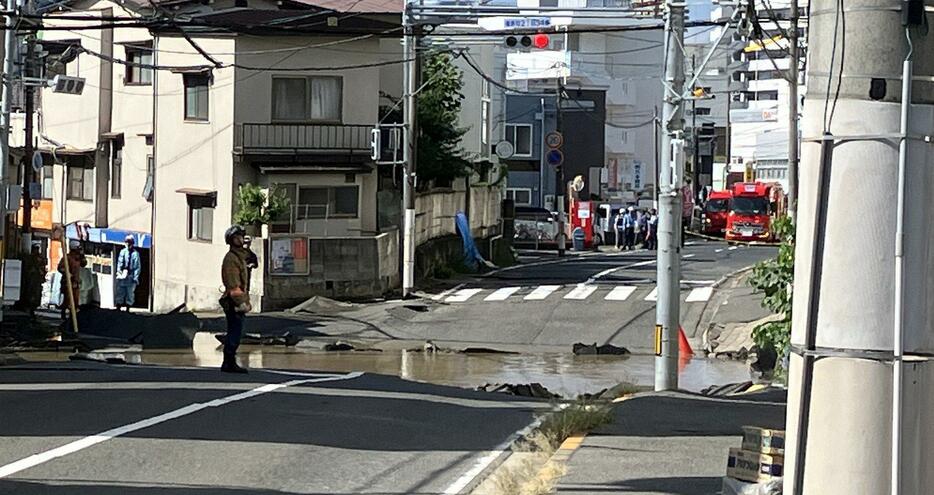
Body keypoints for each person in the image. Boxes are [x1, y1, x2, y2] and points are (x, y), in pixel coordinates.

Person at [220, 225, 251, 374]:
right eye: (237, 237)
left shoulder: (240, 257)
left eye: (241, 236)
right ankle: (229, 362)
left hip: (238, 300)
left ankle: (229, 361)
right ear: (232, 240)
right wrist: (241, 303)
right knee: (234, 332)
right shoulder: (231, 259)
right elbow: (233, 284)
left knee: (236, 331)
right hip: (233, 302)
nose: (241, 239)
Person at [114, 235, 141, 311]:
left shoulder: (135, 254)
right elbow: (119, 263)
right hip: (123, 274)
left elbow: (137, 267)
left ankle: (128, 307)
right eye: (127, 242)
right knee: (120, 291)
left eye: (129, 243)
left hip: (130, 275)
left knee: (130, 293)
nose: (128, 244)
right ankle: (118, 306)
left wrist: (135, 277)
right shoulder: (123, 251)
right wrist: (119, 273)